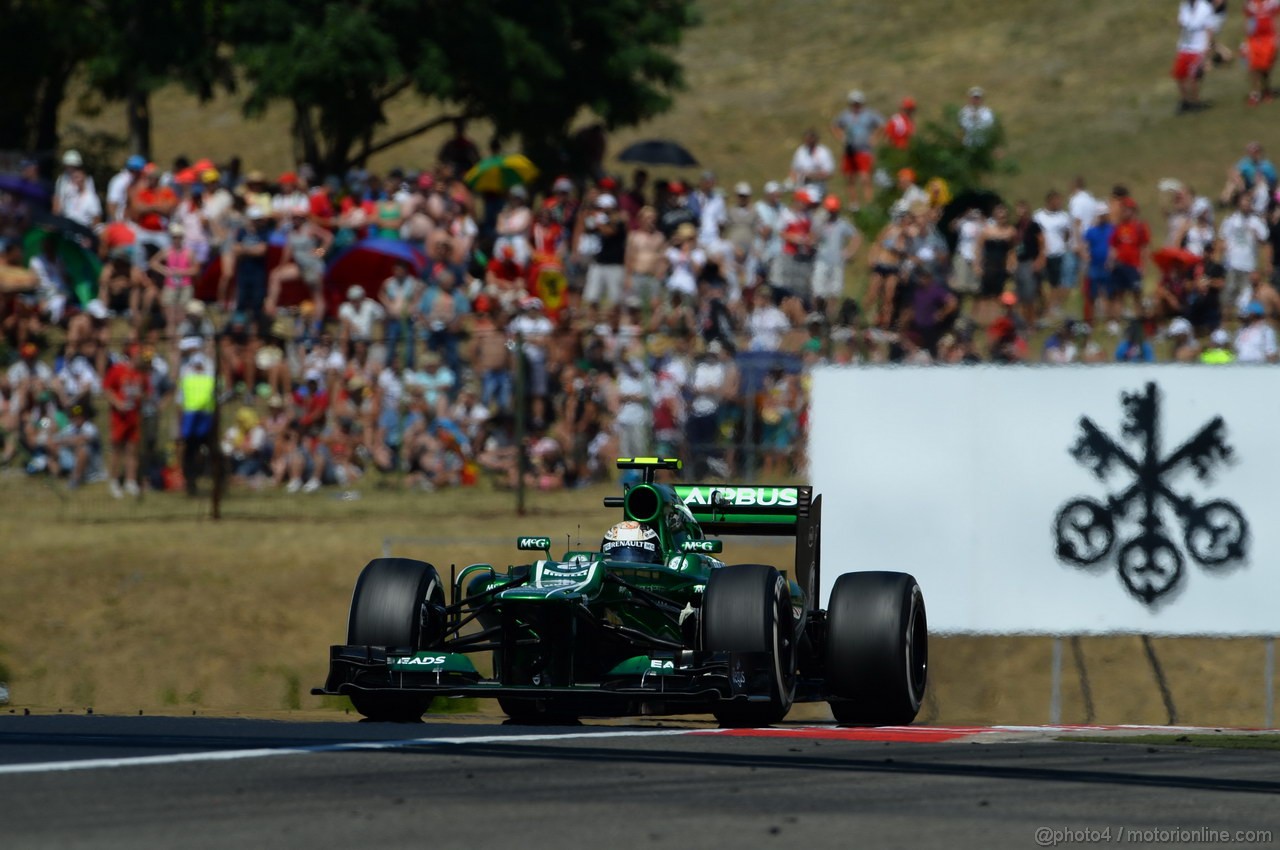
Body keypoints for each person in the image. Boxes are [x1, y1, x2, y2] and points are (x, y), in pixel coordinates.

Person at [104, 344, 149, 498]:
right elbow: (108, 389)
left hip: (134, 416)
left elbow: (146, 392)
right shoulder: (118, 370)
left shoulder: (141, 373)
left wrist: (140, 397)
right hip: (119, 417)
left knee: (132, 449)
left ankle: (131, 480)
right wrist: (117, 403)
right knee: (117, 449)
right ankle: (114, 481)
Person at [831, 90, 884, 208]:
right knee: (850, 177)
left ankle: (869, 203)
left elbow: (881, 125)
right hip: (849, 150)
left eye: (858, 103)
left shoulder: (869, 114)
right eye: (853, 103)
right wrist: (841, 137)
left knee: (865, 177)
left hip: (864, 150)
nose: (856, 105)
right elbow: (835, 126)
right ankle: (854, 203)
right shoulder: (846, 115)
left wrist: (874, 138)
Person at [1218, 194, 1269, 311]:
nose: (1246, 204)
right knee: (1229, 290)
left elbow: (1264, 240)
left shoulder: (1256, 221)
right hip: (1232, 262)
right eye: (1244, 201)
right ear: (1239, 203)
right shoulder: (1230, 220)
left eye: (1249, 201)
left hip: (1248, 264)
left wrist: (1256, 234)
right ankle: (1226, 318)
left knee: (1246, 293)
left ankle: (1243, 316)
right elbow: (1222, 239)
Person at [973, 204, 1017, 325]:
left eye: (1004, 216)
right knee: (984, 294)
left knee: (998, 295)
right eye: (999, 216)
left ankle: (995, 320)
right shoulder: (987, 230)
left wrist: (1011, 264)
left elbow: (1012, 249)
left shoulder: (1011, 231)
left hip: (1001, 266)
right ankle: (981, 320)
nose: (1002, 218)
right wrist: (977, 265)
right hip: (988, 264)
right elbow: (979, 247)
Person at [1107, 197, 1151, 318]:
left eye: (1127, 210)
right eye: (1123, 210)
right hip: (1120, 265)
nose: (1124, 212)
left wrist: (1144, 266)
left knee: (1136, 294)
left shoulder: (1140, 227)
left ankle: (1139, 319)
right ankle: (1115, 321)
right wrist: (1111, 261)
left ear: (1133, 211)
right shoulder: (1119, 227)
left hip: (1134, 266)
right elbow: (1113, 245)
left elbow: (1145, 247)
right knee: (1118, 294)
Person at [1173, 0, 1216, 113]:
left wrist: (1207, 48)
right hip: (1184, 46)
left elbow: (1209, 29)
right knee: (1179, 75)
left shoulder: (1205, 7)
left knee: (1193, 77)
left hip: (1198, 47)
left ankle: (1196, 102)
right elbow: (1181, 23)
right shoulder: (1184, 6)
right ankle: (1185, 100)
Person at [1245, 0, 1280, 105]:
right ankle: (1255, 93)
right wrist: (1246, 39)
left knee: (1266, 66)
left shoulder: (1273, 2)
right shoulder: (1250, 3)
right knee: (1254, 66)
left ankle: (1266, 90)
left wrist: (1277, 37)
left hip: (1269, 37)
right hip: (1254, 38)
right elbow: (1248, 19)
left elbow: (1277, 17)